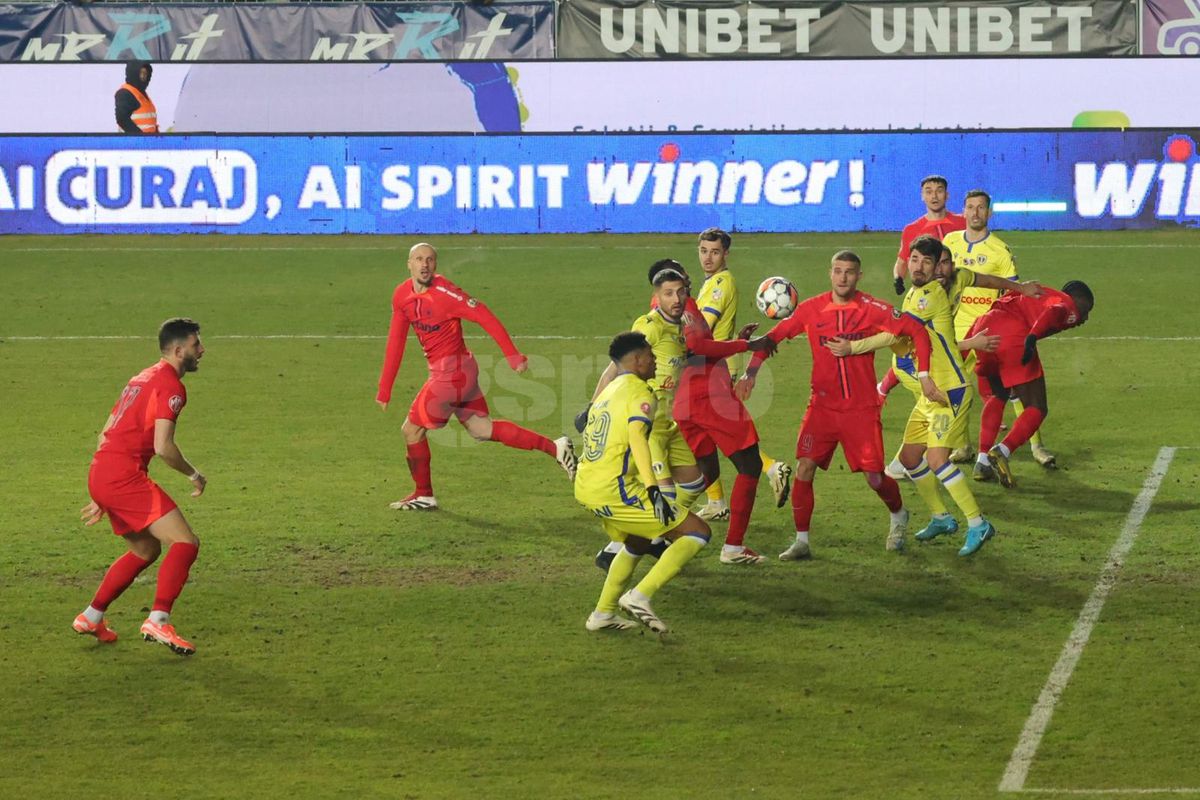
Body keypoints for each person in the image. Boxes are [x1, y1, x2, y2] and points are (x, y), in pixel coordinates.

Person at [735, 250, 940, 557]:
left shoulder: (873, 309)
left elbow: (917, 330)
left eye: (849, 272)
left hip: (861, 410)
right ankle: (801, 541)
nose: (843, 277)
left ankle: (898, 514)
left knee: (874, 477)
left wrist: (924, 375)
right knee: (804, 468)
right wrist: (750, 373)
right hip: (821, 407)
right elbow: (772, 339)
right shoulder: (811, 310)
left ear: (859, 276)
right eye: (838, 270)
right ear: (830, 273)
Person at [376, 243, 576, 510]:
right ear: (409, 263)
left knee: (411, 430)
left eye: (430, 260)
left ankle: (424, 494)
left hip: (452, 374)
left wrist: (512, 355)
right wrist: (385, 388)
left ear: (435, 265)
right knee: (482, 429)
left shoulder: (445, 293)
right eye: (419, 259)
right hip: (460, 371)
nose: (425, 265)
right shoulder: (402, 296)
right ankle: (556, 448)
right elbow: (396, 340)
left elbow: (482, 313)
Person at [74, 318, 206, 656]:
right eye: (195, 345)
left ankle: (92, 616)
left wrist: (102, 490)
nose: (201, 350)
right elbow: (163, 447)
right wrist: (193, 474)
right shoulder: (171, 387)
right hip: (122, 476)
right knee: (185, 542)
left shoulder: (140, 378)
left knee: (145, 550)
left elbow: (106, 432)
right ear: (178, 350)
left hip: (103, 471)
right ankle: (158, 620)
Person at [576, 331, 713, 635]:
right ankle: (640, 596)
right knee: (697, 532)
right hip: (615, 489)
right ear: (637, 360)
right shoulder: (640, 392)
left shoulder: (607, 393)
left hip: (589, 485)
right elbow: (638, 436)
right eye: (651, 355)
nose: (655, 361)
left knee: (637, 541)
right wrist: (652, 488)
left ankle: (603, 614)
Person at [883, 236, 998, 556]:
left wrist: (855, 337)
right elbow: (906, 342)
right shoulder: (912, 295)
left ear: (935, 268)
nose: (918, 266)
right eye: (914, 259)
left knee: (936, 459)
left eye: (926, 262)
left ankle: (978, 524)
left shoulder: (929, 297)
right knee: (908, 459)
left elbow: (896, 334)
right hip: (929, 394)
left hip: (951, 392)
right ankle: (941, 517)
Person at [943, 190, 1057, 474]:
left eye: (981, 208)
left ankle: (1036, 446)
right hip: (954, 329)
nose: (976, 212)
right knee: (951, 390)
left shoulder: (1000, 250)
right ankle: (963, 445)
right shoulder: (949, 242)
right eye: (970, 207)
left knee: (1012, 390)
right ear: (963, 212)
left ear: (989, 213)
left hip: (988, 331)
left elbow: (1012, 294)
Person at [691, 227, 793, 521]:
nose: (708, 258)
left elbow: (703, 329)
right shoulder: (714, 281)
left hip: (713, 370)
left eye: (715, 252)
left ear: (726, 254)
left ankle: (771, 468)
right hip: (714, 365)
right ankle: (717, 501)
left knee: (721, 436)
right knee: (710, 434)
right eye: (704, 251)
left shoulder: (721, 284)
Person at [968, 282, 1095, 489]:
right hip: (1013, 334)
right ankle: (1002, 451)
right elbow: (1055, 312)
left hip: (984, 328)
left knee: (998, 395)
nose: (1085, 318)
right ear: (1079, 300)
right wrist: (1032, 338)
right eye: (1087, 310)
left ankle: (982, 463)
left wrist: (964, 350)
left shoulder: (1044, 294)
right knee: (1037, 407)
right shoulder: (1068, 304)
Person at [877, 175, 967, 400]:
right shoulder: (912, 229)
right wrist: (898, 278)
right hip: (927, 300)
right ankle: (884, 388)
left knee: (956, 348)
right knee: (917, 346)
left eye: (938, 191)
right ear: (922, 196)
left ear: (947, 195)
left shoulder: (962, 223)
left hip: (958, 296)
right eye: (928, 191)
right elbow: (902, 260)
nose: (934, 196)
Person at [115, 60, 158, 134]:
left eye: (145, 73)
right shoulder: (125, 93)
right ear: (133, 73)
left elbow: (149, 121)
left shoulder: (142, 93)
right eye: (140, 73)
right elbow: (122, 119)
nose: (143, 76)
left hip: (148, 142)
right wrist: (139, 137)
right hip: (132, 143)